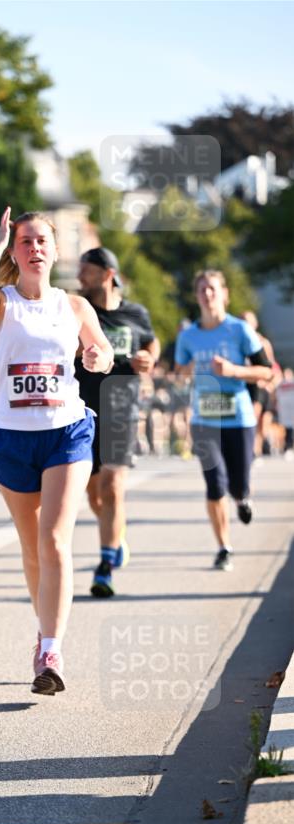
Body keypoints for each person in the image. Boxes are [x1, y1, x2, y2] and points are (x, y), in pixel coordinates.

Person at [0, 207, 113, 695]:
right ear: (15, 251)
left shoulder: (74, 307)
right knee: (31, 549)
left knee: (53, 541)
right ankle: (43, 629)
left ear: (55, 250)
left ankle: (51, 649)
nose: (34, 249)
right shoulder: (1, 304)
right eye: (25, 242)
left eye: (41, 241)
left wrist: (96, 356)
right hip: (12, 436)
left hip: (65, 431)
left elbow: (104, 353)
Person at [75, 247, 159, 597]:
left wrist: (147, 359)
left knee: (111, 487)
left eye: (87, 270)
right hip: (82, 410)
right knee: (95, 496)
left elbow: (152, 344)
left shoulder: (135, 313)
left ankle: (105, 565)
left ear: (107, 273)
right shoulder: (77, 310)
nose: (81, 277)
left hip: (122, 408)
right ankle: (116, 536)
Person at [175, 270, 273, 571]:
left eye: (213, 289)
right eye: (202, 289)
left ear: (224, 294)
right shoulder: (188, 336)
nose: (207, 294)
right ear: (196, 296)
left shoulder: (240, 330)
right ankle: (224, 547)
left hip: (238, 418)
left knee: (238, 484)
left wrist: (234, 371)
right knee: (215, 485)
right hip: (204, 419)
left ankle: (243, 499)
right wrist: (188, 369)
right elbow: (179, 373)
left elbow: (266, 371)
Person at [241, 310, 278, 458]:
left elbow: (271, 365)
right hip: (249, 384)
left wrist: (271, 383)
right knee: (252, 418)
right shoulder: (239, 340)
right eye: (243, 320)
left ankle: (257, 448)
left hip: (263, 385)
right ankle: (251, 452)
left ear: (255, 324)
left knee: (263, 424)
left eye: (249, 320)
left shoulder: (262, 342)